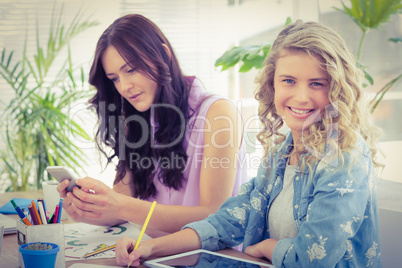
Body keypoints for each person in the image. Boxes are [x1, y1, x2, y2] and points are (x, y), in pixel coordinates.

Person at [115, 20, 383, 267]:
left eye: (317, 83)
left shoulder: (345, 156)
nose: (301, 97)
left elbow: (313, 258)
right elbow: (225, 221)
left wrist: (269, 247)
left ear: (337, 88)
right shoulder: (281, 153)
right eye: (288, 81)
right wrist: (150, 248)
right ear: (273, 85)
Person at [57, 14, 248, 234]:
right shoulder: (137, 120)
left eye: (130, 70)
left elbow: (212, 216)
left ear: (163, 55)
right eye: (114, 78)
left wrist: (120, 205)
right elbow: (121, 203)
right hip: (156, 253)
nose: (124, 87)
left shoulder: (218, 113)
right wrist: (85, 209)